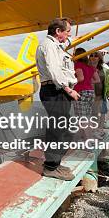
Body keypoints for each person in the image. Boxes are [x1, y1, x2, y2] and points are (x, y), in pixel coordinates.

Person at [36, 17, 79, 181]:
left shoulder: (56, 46)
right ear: (58, 32)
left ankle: (55, 162)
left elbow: (67, 45)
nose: (69, 35)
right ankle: (51, 167)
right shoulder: (49, 46)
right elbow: (54, 71)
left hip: (57, 90)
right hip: (55, 90)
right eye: (67, 31)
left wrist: (82, 37)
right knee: (57, 129)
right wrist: (69, 90)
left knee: (64, 128)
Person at [73, 47, 100, 139]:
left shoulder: (78, 65)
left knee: (81, 117)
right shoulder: (90, 67)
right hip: (90, 92)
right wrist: (89, 82)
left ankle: (88, 139)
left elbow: (80, 78)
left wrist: (70, 82)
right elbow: (97, 80)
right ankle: (86, 137)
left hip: (81, 92)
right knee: (87, 116)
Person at [89, 50, 109, 127]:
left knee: (102, 112)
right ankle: (93, 130)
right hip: (91, 94)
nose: (93, 57)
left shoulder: (105, 66)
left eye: (96, 55)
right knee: (93, 114)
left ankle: (100, 129)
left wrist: (108, 52)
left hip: (101, 94)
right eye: (92, 55)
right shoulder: (88, 65)